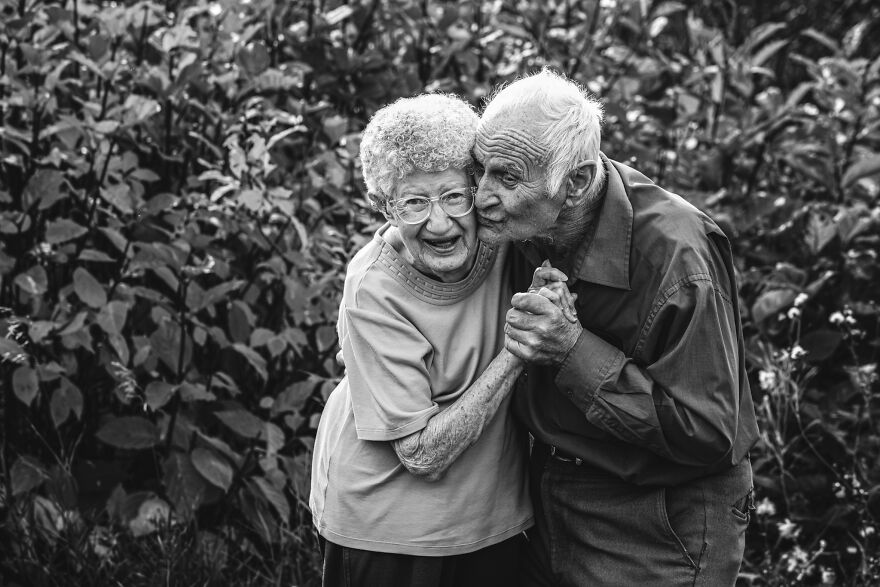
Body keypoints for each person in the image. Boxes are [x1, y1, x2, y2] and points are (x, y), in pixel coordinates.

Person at [472, 68, 760, 586]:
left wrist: (571, 349)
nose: (480, 197)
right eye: (481, 170)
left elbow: (711, 434)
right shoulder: (524, 217)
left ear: (578, 182)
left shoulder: (678, 260)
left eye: (507, 178)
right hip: (543, 501)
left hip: (655, 523)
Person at [309, 92, 575, 587]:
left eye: (454, 196)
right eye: (413, 203)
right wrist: (519, 350)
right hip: (384, 531)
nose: (439, 222)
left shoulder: (506, 242)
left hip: (495, 522)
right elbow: (419, 454)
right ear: (382, 206)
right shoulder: (373, 288)